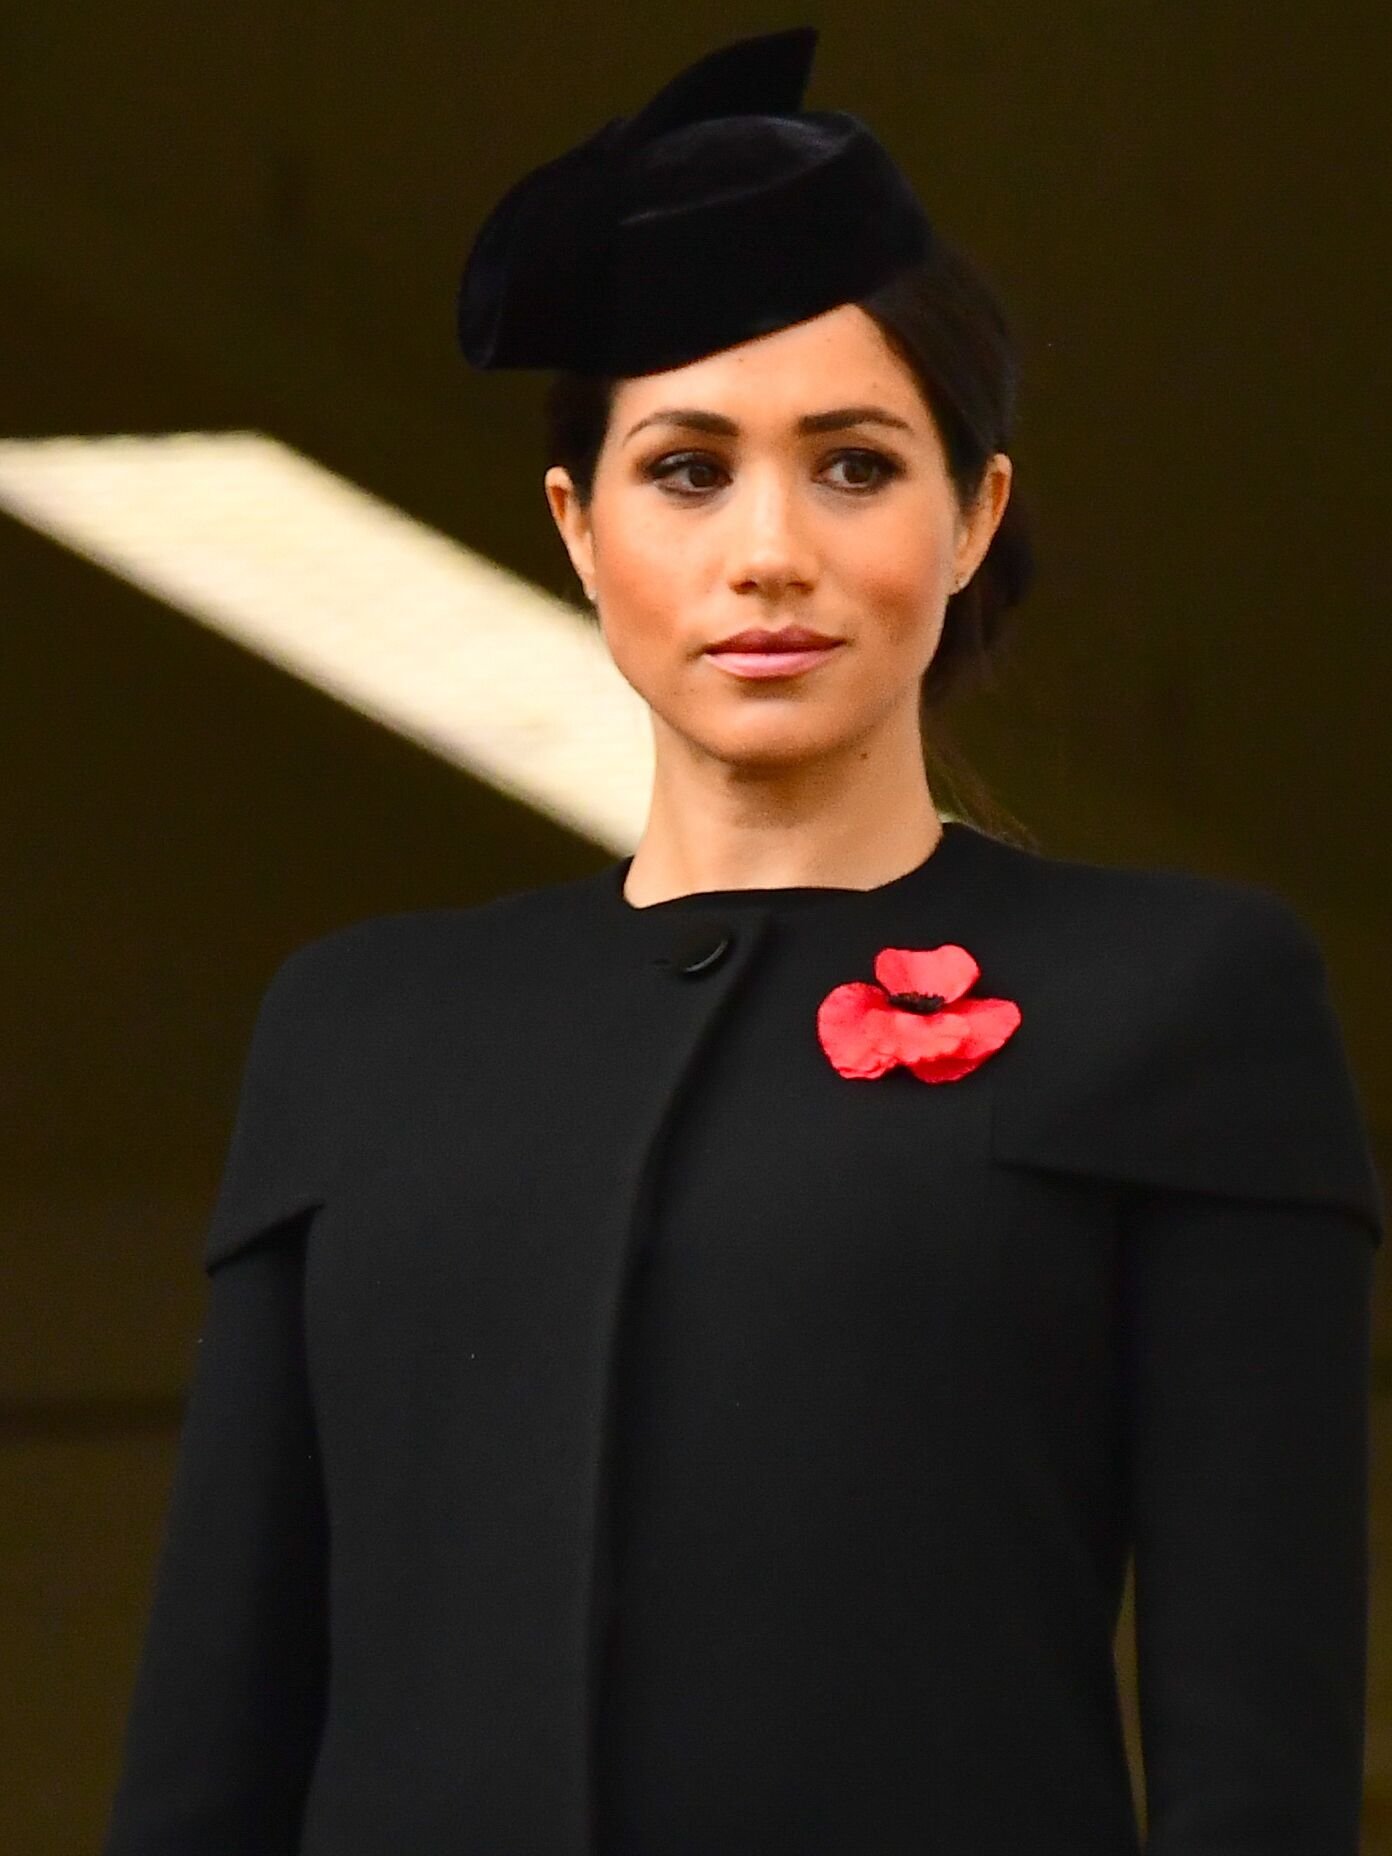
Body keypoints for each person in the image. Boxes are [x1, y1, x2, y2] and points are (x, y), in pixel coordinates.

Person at [101, 26, 1384, 1856]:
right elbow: (206, 1758)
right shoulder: (360, 1028)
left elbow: (1254, 1770)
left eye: (854, 467)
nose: (767, 548)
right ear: (579, 525)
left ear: (974, 516)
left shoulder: (1181, 1001)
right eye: (686, 469)